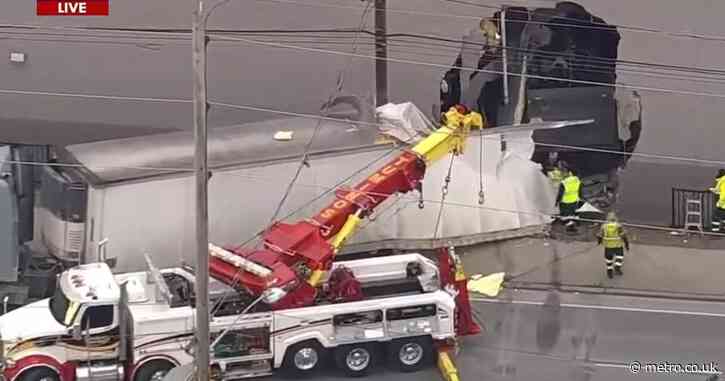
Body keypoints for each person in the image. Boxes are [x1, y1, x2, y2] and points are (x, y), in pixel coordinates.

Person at [597, 212, 629, 278]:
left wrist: (599, 242)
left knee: (609, 260)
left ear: (607, 218)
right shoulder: (619, 225)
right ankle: (617, 267)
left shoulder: (604, 226)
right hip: (618, 245)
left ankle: (609, 272)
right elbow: (624, 235)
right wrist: (626, 244)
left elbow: (600, 235)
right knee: (620, 257)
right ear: (615, 218)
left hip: (608, 246)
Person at [555, 166, 583, 232]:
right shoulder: (578, 181)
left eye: (566, 172)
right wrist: (580, 199)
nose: (565, 173)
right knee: (573, 212)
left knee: (565, 214)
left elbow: (560, 194)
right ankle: (576, 222)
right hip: (574, 200)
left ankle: (568, 226)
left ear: (570, 173)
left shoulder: (564, 182)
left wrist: (557, 201)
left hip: (565, 201)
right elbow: (580, 192)